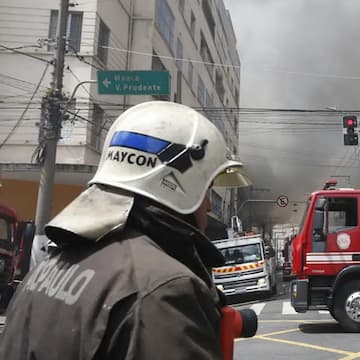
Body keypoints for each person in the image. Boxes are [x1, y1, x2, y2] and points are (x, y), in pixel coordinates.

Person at [0, 101, 250, 359]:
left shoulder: (44, 271)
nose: (209, 205)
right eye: (207, 189)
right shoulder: (164, 290)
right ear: (178, 183)